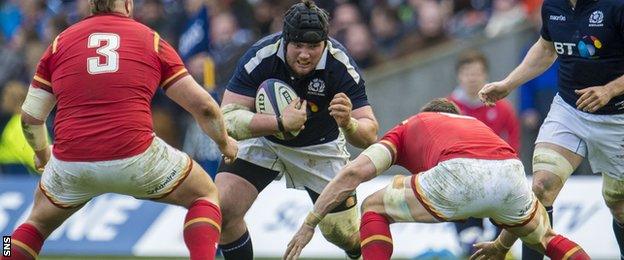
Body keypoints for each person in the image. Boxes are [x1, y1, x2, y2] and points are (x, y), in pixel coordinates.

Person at [2, 1, 237, 260]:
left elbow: (30, 117)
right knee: (205, 194)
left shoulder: (59, 44)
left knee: (31, 225)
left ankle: (3, 252)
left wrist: (42, 153)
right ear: (128, 3)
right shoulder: (150, 39)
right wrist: (224, 142)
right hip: (135, 154)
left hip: (72, 159)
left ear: (91, 5)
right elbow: (203, 106)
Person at [283, 98, 590, 260]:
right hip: (510, 169)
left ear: (428, 113)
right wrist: (499, 245)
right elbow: (508, 208)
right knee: (548, 240)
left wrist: (310, 222)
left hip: (457, 173)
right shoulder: (474, 124)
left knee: (374, 206)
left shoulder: (413, 123)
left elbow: (352, 174)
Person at [215, 1, 378, 259]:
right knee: (223, 211)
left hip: (320, 147)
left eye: (313, 46)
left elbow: (370, 135)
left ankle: (358, 251)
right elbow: (226, 118)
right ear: (284, 40)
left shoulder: (340, 65)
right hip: (264, 141)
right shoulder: (261, 55)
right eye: (298, 46)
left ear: (325, 43)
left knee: (342, 234)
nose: (305, 54)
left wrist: (349, 123)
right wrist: (279, 123)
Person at [478, 0, 624, 258]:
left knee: (618, 203)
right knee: (541, 186)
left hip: (617, 118)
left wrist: (609, 89)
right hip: (569, 110)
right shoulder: (553, 6)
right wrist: (508, 84)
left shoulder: (616, 5)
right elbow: (546, 49)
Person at [448, 50, 521, 257]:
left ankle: (501, 245)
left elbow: (514, 139)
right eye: (467, 73)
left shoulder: (502, 108)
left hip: (496, 177)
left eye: (477, 73)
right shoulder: (448, 107)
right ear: (459, 76)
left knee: (501, 235)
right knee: (470, 243)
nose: (472, 78)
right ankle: (468, 240)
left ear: (485, 75)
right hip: (462, 179)